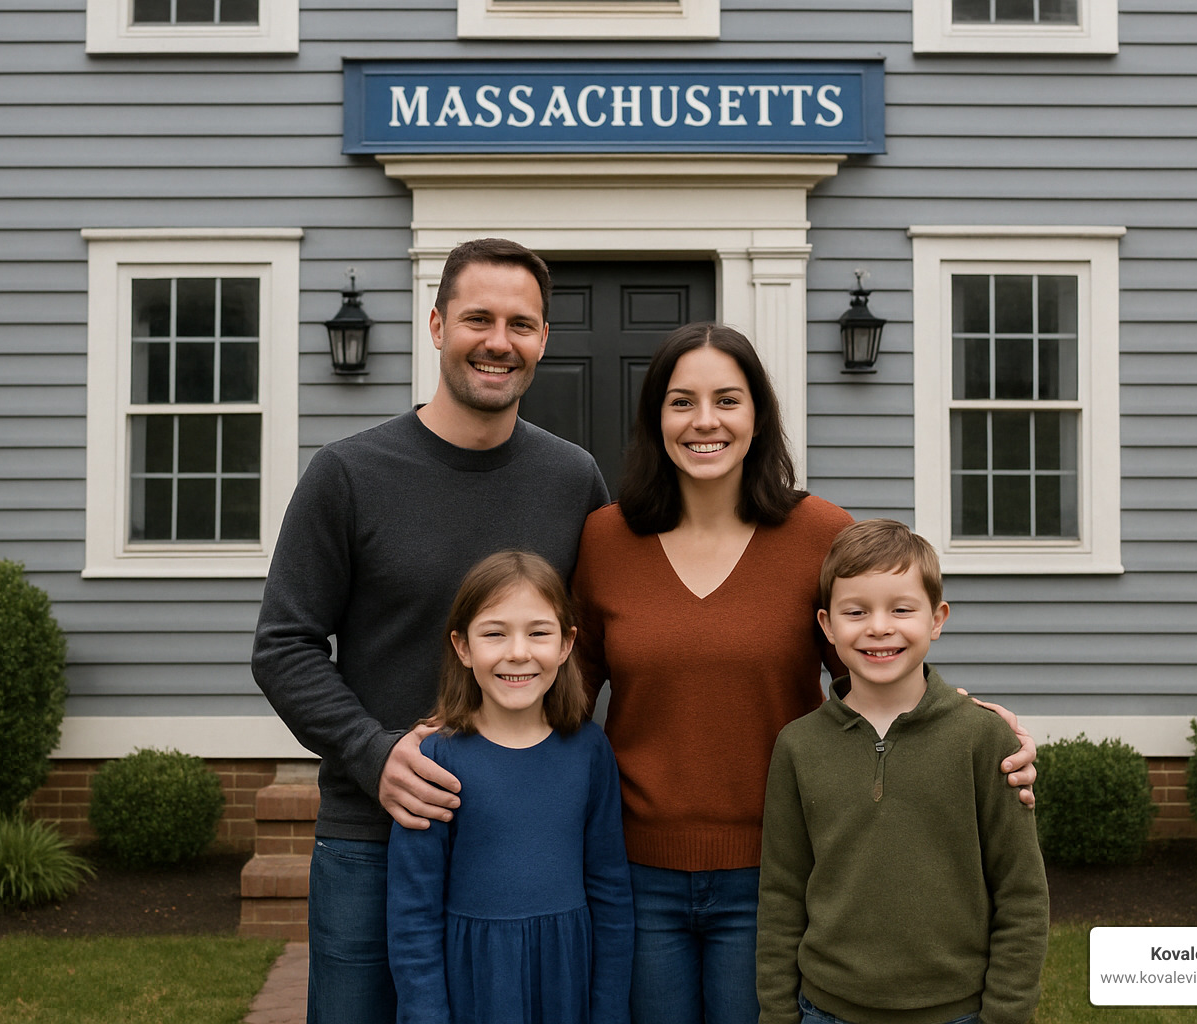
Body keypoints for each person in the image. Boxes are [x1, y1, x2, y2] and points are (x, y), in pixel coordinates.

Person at [570, 323, 1037, 1024]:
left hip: (777, 873)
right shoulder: (606, 538)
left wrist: (974, 723)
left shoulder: (818, 533)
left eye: (728, 400)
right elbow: (566, 692)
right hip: (636, 874)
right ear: (654, 418)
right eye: (681, 401)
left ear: (758, 415)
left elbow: (874, 661)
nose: (705, 421)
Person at [251, 238, 609, 1023]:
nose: (498, 340)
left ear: (543, 339)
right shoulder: (347, 475)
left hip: (523, 844)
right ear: (438, 324)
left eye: (521, 323)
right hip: (376, 834)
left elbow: (602, 636)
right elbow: (283, 645)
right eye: (478, 317)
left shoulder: (573, 479)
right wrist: (372, 753)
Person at [756, 519, 1049, 1024]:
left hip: (955, 1011)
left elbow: (1021, 894)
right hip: (827, 1009)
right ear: (827, 626)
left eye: (901, 609)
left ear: (937, 619)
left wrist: (1005, 1014)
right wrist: (779, 1013)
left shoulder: (983, 741)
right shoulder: (798, 746)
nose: (879, 627)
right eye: (856, 611)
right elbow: (782, 893)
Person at [386, 551, 633, 1024]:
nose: (518, 652)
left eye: (538, 632)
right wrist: (425, 1014)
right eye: (494, 633)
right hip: (475, 982)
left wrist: (609, 1009)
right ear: (462, 647)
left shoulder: (589, 751)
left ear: (566, 645)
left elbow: (611, 892)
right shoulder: (435, 760)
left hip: (567, 981)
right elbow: (412, 912)